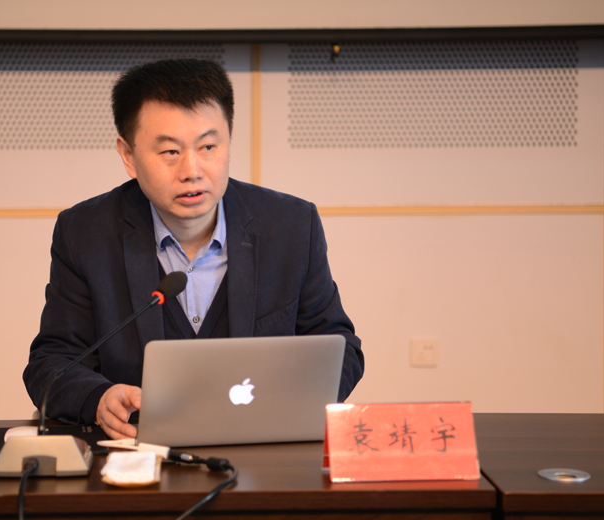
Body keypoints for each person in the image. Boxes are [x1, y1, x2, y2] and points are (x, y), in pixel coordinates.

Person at [24, 58, 363, 440]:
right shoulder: (86, 234)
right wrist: (98, 398)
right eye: (170, 152)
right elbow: (51, 363)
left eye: (208, 147)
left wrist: (295, 405)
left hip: (264, 447)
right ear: (128, 155)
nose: (192, 171)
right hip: (138, 454)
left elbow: (341, 348)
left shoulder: (291, 226)